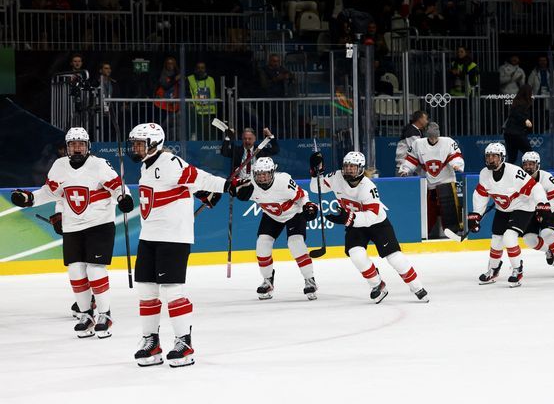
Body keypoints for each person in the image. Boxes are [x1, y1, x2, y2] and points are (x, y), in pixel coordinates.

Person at [128, 122, 233, 368]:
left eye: (140, 143)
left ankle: (183, 342)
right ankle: (150, 341)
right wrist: (201, 194)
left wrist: (227, 186)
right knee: (146, 291)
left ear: (154, 144)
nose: (136, 148)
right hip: (149, 236)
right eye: (134, 143)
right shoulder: (146, 166)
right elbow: (185, 185)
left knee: (172, 291)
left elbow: (199, 177)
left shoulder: (170, 162)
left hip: (173, 237)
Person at [11, 127, 133, 338]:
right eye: (73, 145)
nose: (77, 149)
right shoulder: (59, 166)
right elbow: (50, 192)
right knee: (75, 271)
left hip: (99, 224)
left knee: (95, 270)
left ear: (88, 146)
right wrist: (30, 199)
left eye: (81, 144)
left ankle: (105, 314)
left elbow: (118, 187)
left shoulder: (99, 165)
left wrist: (125, 198)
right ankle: (86, 314)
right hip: (73, 226)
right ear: (67, 148)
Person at [309, 150, 429, 303]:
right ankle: (377, 285)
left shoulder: (368, 187)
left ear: (360, 169)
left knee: (395, 258)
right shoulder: (336, 177)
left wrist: (348, 218)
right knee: (356, 255)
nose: (349, 169)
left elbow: (371, 216)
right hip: (355, 224)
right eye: (346, 166)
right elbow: (316, 188)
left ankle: (416, 286)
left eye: (353, 167)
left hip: (377, 224)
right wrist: (315, 172)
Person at [235, 157, 319, 299]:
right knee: (262, 244)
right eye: (259, 174)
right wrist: (235, 190)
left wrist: (308, 205)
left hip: (294, 213)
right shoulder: (250, 184)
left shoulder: (283, 182)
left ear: (273, 172)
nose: (262, 177)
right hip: (271, 215)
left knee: (295, 243)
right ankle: (268, 281)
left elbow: (302, 195)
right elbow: (232, 186)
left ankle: (310, 280)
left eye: (265, 174)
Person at [468, 143, 548, 287]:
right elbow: (481, 195)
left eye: (495, 156)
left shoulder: (514, 173)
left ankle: (517, 270)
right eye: (488, 156)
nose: (491, 160)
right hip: (503, 208)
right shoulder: (484, 174)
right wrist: (476, 215)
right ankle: (493, 270)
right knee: (496, 239)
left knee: (509, 237)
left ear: (502, 158)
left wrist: (542, 203)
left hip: (523, 207)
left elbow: (534, 187)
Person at [398, 122, 464, 238]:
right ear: (426, 135)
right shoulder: (418, 144)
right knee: (428, 213)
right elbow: (411, 159)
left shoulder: (448, 142)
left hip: (446, 182)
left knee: (450, 212)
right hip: (428, 184)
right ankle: (424, 234)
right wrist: (405, 169)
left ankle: (453, 233)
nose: (433, 139)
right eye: (431, 137)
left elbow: (455, 156)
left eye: (435, 137)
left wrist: (457, 164)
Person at [520, 152, 554, 276]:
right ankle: (549, 250)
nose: (528, 167)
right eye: (526, 164)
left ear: (538, 165)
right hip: (529, 211)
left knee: (547, 234)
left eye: (531, 164)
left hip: (546, 209)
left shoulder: (546, 177)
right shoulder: (518, 177)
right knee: (529, 240)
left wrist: (545, 210)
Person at [502, 84, 533, 165]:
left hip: (509, 133)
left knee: (512, 158)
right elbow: (515, 113)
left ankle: (508, 174)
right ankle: (528, 173)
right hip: (516, 133)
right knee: (530, 154)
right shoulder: (522, 103)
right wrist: (525, 120)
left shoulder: (517, 101)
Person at [186, 61, 217, 140]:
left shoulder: (211, 79)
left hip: (209, 110)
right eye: (198, 68)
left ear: (205, 69)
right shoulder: (189, 79)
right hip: (195, 110)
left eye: (202, 68)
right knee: (196, 132)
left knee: (208, 133)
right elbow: (187, 93)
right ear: (195, 69)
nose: (200, 70)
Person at [394, 110, 428, 174]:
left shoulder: (417, 131)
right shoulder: (411, 131)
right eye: (425, 119)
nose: (427, 121)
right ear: (420, 119)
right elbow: (417, 150)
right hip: (404, 168)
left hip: (411, 168)